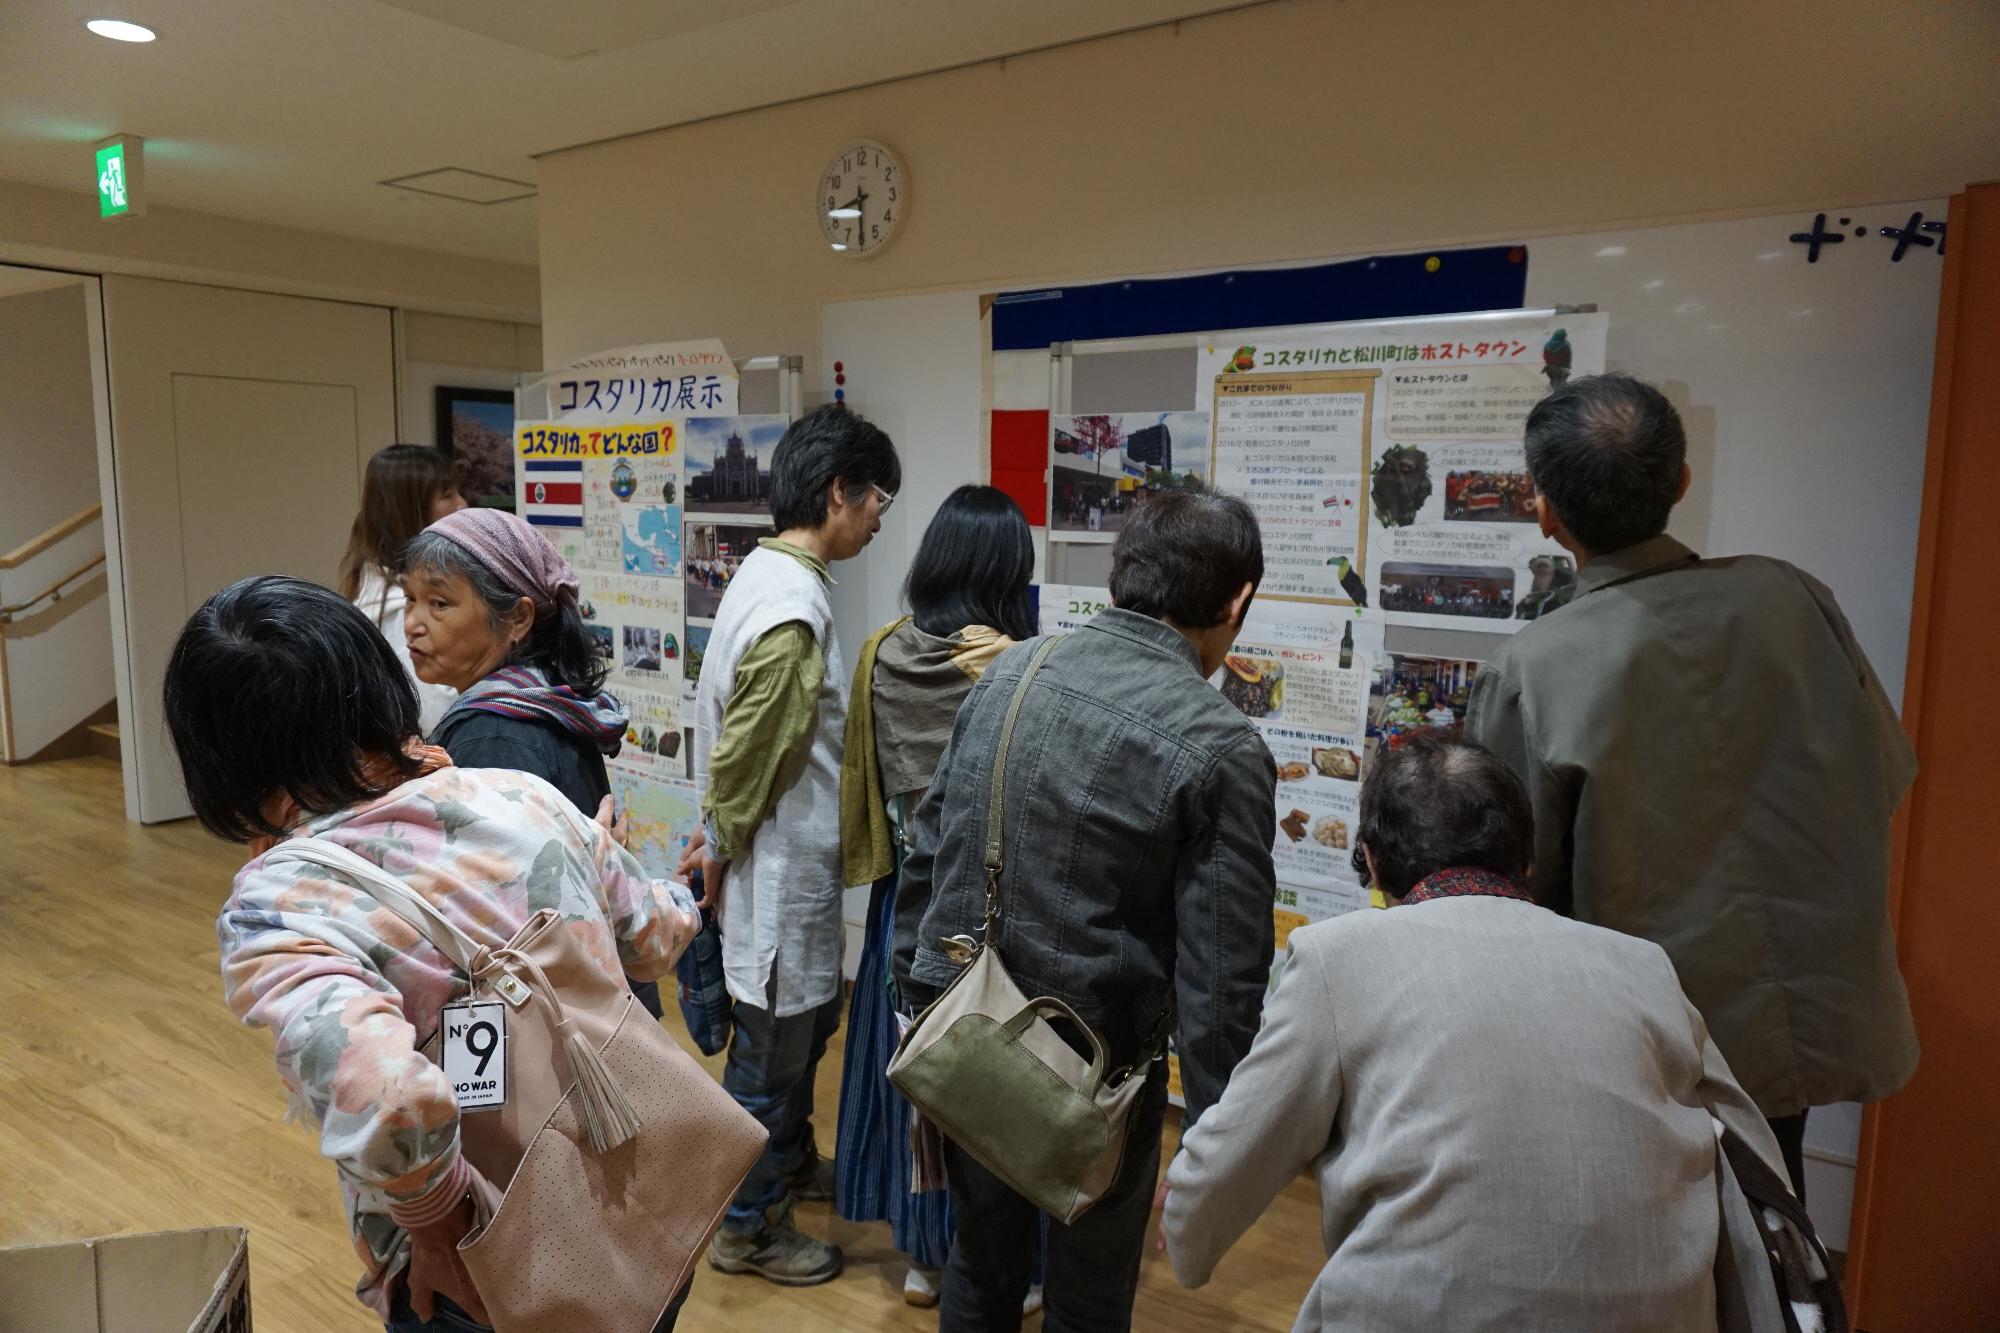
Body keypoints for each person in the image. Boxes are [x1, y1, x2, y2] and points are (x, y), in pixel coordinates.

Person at [163, 575, 701, 1333]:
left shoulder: (276, 903)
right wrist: (677, 890)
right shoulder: (523, 796)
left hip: (486, 1261)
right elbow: (651, 940)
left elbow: (389, 1093)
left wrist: (434, 1227)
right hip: (640, 1192)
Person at [1163, 733, 1791, 1333]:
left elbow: (1241, 1142)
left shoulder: (1341, 956)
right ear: (1527, 862)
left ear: (1374, 862)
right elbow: (1751, 1147)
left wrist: (1187, 1226)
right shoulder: (1641, 963)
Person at [1465, 373, 1919, 1195]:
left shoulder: (1532, 669)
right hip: (1801, 1021)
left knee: (1651, 1256)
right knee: (1778, 1242)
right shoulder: (1794, 596)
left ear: (1544, 510)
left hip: (1643, 1038)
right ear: (1680, 482)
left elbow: (1506, 890)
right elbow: (1884, 775)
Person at [896, 486, 1277, 1333]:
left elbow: (932, 850)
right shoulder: (1220, 743)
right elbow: (1223, 977)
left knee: (981, 1264)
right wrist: (1217, 1139)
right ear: (1236, 600)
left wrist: (913, 999)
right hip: (1098, 1070)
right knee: (1088, 1299)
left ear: (1122, 574)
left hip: (972, 1034)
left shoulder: (1013, 671)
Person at [676, 403, 901, 1286]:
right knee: (768, 1065)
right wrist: (721, 847)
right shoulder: (792, 610)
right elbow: (751, 755)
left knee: (800, 1041)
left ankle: (788, 1173)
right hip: (773, 879)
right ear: (839, 491)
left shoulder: (765, 576)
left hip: (775, 870)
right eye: (877, 497)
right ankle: (743, 1226)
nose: (881, 517)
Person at [834, 485, 1044, 1311]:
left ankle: (922, 1257)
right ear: (1007, 570)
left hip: (901, 900)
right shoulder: (1011, 663)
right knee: (990, 1081)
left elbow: (869, 778)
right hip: (990, 908)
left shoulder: (881, 649)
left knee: (911, 1072)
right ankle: (1006, 1264)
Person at [401, 507, 664, 1021]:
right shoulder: (535, 697)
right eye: (410, 599)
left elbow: (501, 918)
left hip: (561, 1017)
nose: (414, 622)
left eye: (439, 602)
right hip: (591, 996)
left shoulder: (494, 734)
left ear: (518, 618)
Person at [337, 444, 467, 733]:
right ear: (410, 513)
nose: (462, 505)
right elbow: (431, 713)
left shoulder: (382, 587)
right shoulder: (397, 609)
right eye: (447, 496)